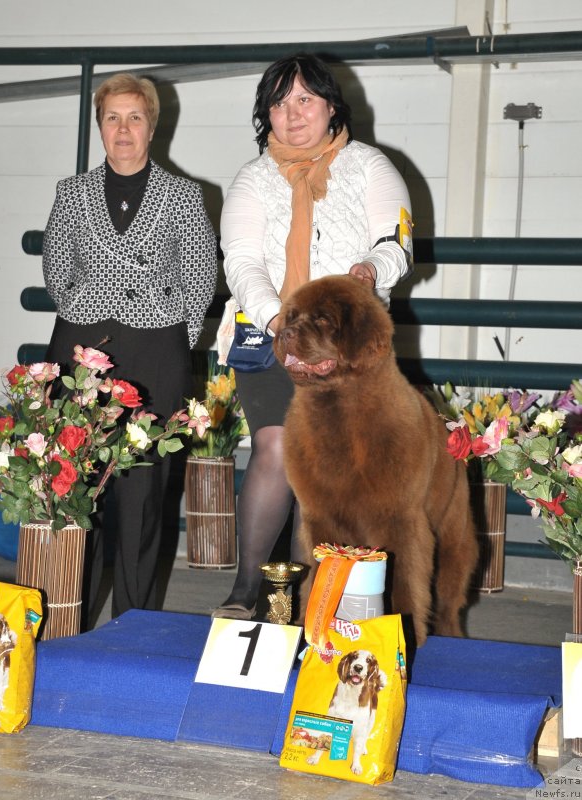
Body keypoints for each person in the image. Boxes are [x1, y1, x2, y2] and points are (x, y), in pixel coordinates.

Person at [214, 54, 413, 620]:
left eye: (305, 99)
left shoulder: (370, 166)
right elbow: (242, 262)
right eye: (279, 103)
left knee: (331, 464)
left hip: (349, 347)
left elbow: (397, 243)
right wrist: (280, 322)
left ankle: (317, 605)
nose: (293, 113)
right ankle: (246, 592)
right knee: (276, 447)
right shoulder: (253, 179)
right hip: (271, 337)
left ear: (331, 106)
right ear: (266, 116)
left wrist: (372, 271)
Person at [42, 72, 217, 625]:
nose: (123, 129)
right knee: (77, 486)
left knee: (142, 491)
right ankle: (69, 617)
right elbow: (56, 270)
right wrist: (89, 307)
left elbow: (200, 278)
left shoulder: (184, 195)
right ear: (100, 127)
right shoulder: (71, 193)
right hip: (82, 351)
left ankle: (133, 624)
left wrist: (174, 338)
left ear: (152, 127)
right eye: (112, 117)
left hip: (155, 352)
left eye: (134, 117)